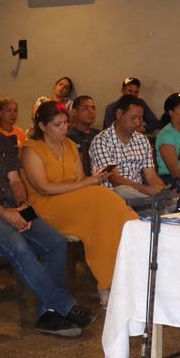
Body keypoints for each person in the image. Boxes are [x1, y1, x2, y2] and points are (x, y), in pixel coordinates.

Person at [0, 80, 95, 337]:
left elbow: (15, 180)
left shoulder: (1, 140)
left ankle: (48, 314)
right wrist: (5, 213)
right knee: (19, 245)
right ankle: (65, 306)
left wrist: (23, 206)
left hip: (11, 208)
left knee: (56, 242)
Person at [22, 101, 138, 308]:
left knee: (105, 210)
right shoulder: (31, 149)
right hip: (45, 205)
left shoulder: (69, 145)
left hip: (72, 199)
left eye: (66, 123)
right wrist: (87, 183)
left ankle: (119, 279)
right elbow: (43, 188)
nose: (64, 128)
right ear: (42, 126)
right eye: (57, 124)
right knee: (101, 199)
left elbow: (79, 180)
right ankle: (108, 283)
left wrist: (93, 179)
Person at [89, 94, 167, 210]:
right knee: (123, 191)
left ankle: (153, 206)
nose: (138, 123)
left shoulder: (142, 139)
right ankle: (153, 207)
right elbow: (114, 179)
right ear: (119, 114)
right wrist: (148, 191)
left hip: (139, 194)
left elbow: (151, 175)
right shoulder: (102, 140)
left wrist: (161, 189)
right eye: (133, 118)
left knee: (169, 198)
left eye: (140, 118)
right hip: (113, 194)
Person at [66, 95, 99, 174]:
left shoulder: (99, 135)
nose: (91, 112)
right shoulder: (68, 137)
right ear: (74, 112)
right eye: (86, 108)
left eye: (93, 108)